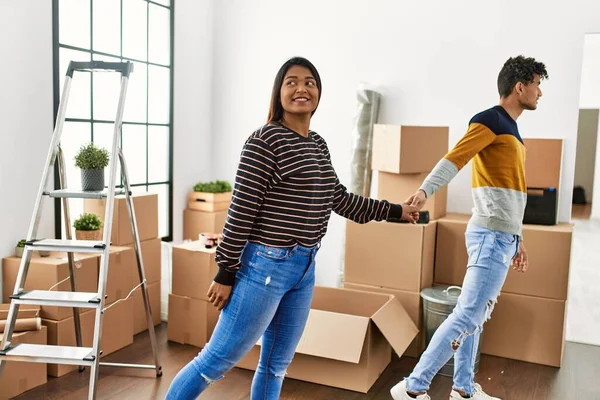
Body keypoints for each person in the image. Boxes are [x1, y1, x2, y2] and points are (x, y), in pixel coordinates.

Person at [165, 56, 419, 400]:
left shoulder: (317, 144)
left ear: (319, 93)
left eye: (310, 82)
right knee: (216, 361)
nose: (302, 88)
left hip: (303, 269)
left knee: (276, 365)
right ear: (279, 93)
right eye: (292, 82)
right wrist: (225, 272)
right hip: (264, 268)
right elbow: (241, 211)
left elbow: (340, 199)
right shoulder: (264, 141)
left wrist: (395, 210)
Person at [390, 55, 548, 400]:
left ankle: (463, 390)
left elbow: (510, 193)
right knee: (468, 315)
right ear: (519, 87)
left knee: (475, 315)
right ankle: (413, 389)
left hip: (501, 235)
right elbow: (455, 158)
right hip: (491, 236)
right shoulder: (490, 120)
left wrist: (517, 237)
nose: (540, 92)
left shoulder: (512, 129)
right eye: (537, 84)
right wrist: (424, 191)